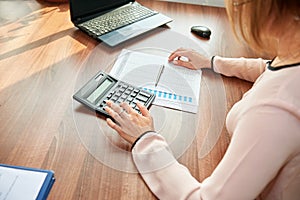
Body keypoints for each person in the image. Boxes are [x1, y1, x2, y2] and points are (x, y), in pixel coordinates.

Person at [105, 0, 300, 199]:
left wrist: (145, 140)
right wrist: (211, 62)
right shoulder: (294, 56)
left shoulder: (275, 110)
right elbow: (268, 67)